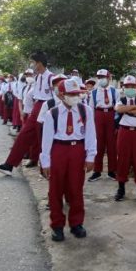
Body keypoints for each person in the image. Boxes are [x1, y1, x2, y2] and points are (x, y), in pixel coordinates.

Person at [40, 78, 96, 242]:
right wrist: (45, 162)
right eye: (71, 94)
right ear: (62, 95)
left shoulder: (86, 111)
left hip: (77, 150)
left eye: (77, 94)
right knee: (56, 189)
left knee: (76, 188)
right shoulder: (53, 113)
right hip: (58, 150)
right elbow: (46, 139)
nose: (75, 97)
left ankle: (76, 223)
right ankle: (57, 226)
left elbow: (91, 135)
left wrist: (91, 156)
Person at [0, 52, 54, 176]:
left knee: (43, 138)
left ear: (39, 63)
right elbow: (32, 94)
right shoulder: (37, 77)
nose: (32, 65)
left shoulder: (51, 77)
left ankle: (46, 168)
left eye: (33, 62)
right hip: (37, 107)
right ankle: (9, 165)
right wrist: (27, 110)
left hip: (47, 107)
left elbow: (56, 97)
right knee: (23, 136)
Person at [114, 75, 136, 202]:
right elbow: (118, 109)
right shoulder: (121, 99)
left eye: (132, 86)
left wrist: (128, 110)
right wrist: (135, 108)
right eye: (127, 86)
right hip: (124, 132)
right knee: (123, 159)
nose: (129, 88)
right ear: (123, 88)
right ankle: (121, 188)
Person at [88, 69, 119, 182]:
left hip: (111, 115)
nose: (101, 79)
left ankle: (112, 171)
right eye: (99, 77)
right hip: (99, 115)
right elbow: (90, 108)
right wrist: (91, 124)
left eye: (103, 77)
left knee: (112, 144)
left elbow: (118, 107)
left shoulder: (115, 91)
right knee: (98, 144)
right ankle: (97, 171)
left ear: (109, 77)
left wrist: (116, 121)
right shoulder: (94, 92)